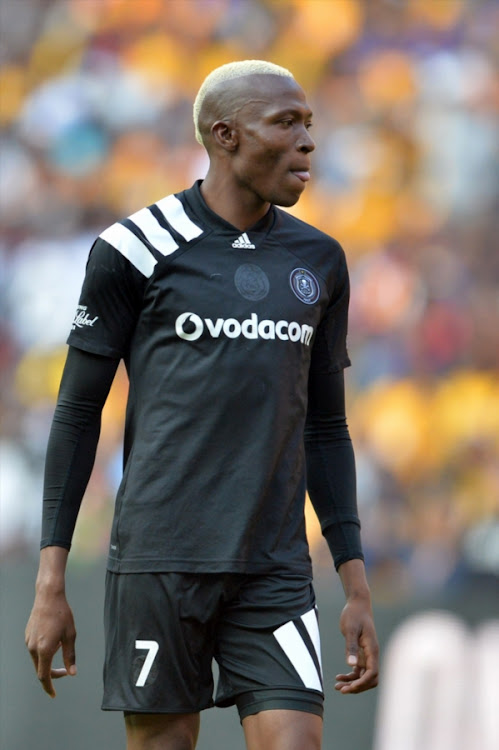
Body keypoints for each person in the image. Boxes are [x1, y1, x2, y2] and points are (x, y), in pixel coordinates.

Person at [25, 60, 378, 750]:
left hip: (271, 566)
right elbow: (75, 414)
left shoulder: (321, 261)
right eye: (286, 123)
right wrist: (50, 579)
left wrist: (354, 582)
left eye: (309, 123)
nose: (308, 141)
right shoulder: (134, 249)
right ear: (224, 135)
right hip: (160, 559)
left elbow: (326, 428)